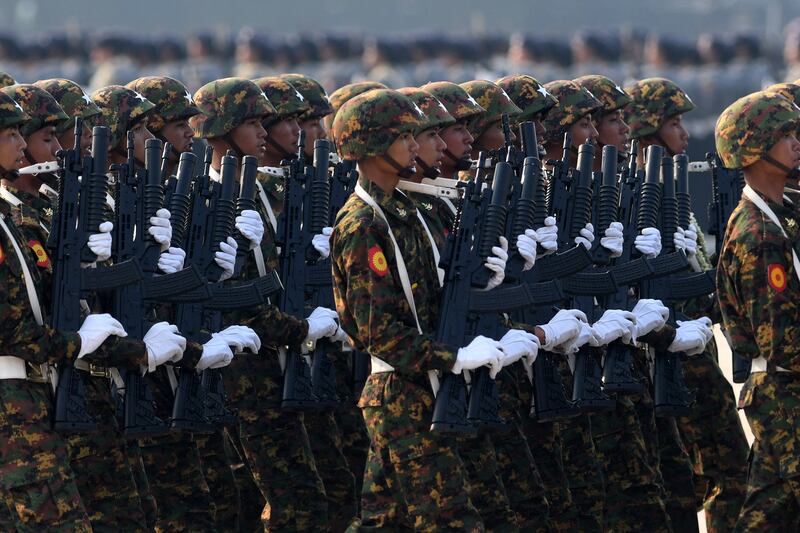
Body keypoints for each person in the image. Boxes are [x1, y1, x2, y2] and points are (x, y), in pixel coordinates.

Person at [330, 87, 572, 530]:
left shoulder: (405, 210)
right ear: (372, 145)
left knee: (386, 520)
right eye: (404, 135)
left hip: (431, 383)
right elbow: (376, 331)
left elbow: (435, 299)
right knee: (453, 519)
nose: (417, 143)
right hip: (404, 394)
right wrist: (454, 356)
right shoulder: (364, 223)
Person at [191, 77, 341, 532]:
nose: (267, 132)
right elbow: (225, 295)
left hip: (283, 361)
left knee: (314, 492)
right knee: (284, 499)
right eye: (253, 122)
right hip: (240, 371)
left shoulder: (268, 194)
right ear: (222, 130)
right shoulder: (203, 197)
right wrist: (299, 329)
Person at [627, 77, 749, 532]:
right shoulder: (639, 195)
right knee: (717, 473)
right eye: (674, 123)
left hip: (695, 348)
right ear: (647, 133)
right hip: (668, 357)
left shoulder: (670, 190)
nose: (684, 134)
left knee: (710, 474)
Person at [715, 90, 800, 532]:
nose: (796, 142)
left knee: (771, 512)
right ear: (755, 148)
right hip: (786, 394)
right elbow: (781, 340)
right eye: (785, 134)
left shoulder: (779, 216)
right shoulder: (758, 234)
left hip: (785, 395)